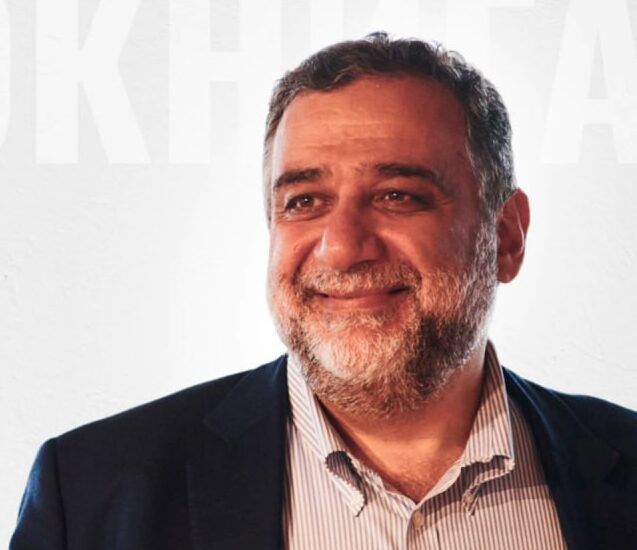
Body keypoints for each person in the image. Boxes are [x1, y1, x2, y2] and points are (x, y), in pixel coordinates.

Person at [10, 33, 637, 550]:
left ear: (505, 237)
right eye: (305, 201)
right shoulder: (93, 497)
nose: (341, 246)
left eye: (397, 195)